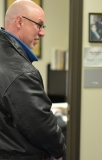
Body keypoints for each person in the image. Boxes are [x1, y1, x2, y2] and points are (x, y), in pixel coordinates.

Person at [0, 0, 66, 159]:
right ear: (19, 22)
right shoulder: (21, 73)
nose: (42, 33)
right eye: (39, 25)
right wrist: (60, 150)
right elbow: (42, 128)